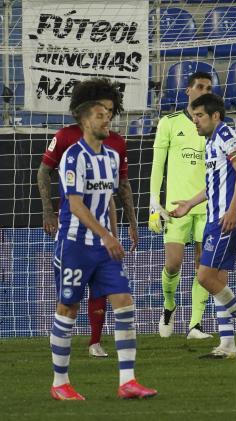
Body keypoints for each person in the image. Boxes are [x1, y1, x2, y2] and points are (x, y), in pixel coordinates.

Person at [50, 101, 156, 400]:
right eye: (100, 116)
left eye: (108, 116)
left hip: (102, 246)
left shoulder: (110, 156)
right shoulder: (73, 157)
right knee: (68, 308)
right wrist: (106, 235)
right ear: (85, 122)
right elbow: (75, 204)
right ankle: (60, 383)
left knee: (124, 302)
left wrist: (114, 231)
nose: (107, 120)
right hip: (74, 245)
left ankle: (128, 381)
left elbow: (108, 197)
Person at [37, 77, 137, 358]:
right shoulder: (66, 137)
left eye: (109, 111)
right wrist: (48, 211)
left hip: (103, 230)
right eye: (100, 110)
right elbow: (44, 172)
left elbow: (119, 188)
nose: (106, 116)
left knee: (109, 289)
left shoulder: (116, 143)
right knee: (69, 300)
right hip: (73, 230)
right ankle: (61, 359)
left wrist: (127, 224)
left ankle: (96, 342)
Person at [170, 93, 236, 359]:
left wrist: (233, 211)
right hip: (218, 216)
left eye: (199, 116)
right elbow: (216, 185)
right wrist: (189, 203)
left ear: (215, 116)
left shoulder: (226, 136)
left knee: (204, 277)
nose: (195, 121)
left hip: (225, 218)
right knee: (218, 281)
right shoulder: (212, 141)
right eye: (193, 116)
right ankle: (227, 344)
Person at [149, 72, 215, 340]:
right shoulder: (169, 122)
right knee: (174, 263)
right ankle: (168, 306)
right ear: (188, 90)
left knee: (203, 266)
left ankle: (195, 325)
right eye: (200, 86)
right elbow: (157, 164)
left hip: (205, 205)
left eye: (208, 88)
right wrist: (154, 202)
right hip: (176, 205)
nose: (204, 90)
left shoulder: (212, 125)